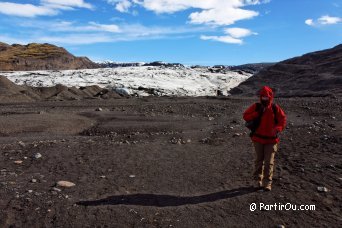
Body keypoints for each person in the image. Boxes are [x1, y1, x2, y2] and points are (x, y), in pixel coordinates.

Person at [243, 86, 286, 191]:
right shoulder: (256, 107)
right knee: (259, 160)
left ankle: (267, 183)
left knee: (269, 162)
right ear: (260, 97)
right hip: (258, 139)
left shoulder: (275, 108)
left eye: (266, 97)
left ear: (270, 97)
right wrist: (257, 113)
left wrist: (278, 128)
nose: (264, 99)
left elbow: (282, 119)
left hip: (271, 140)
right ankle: (257, 180)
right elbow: (246, 116)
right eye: (263, 97)